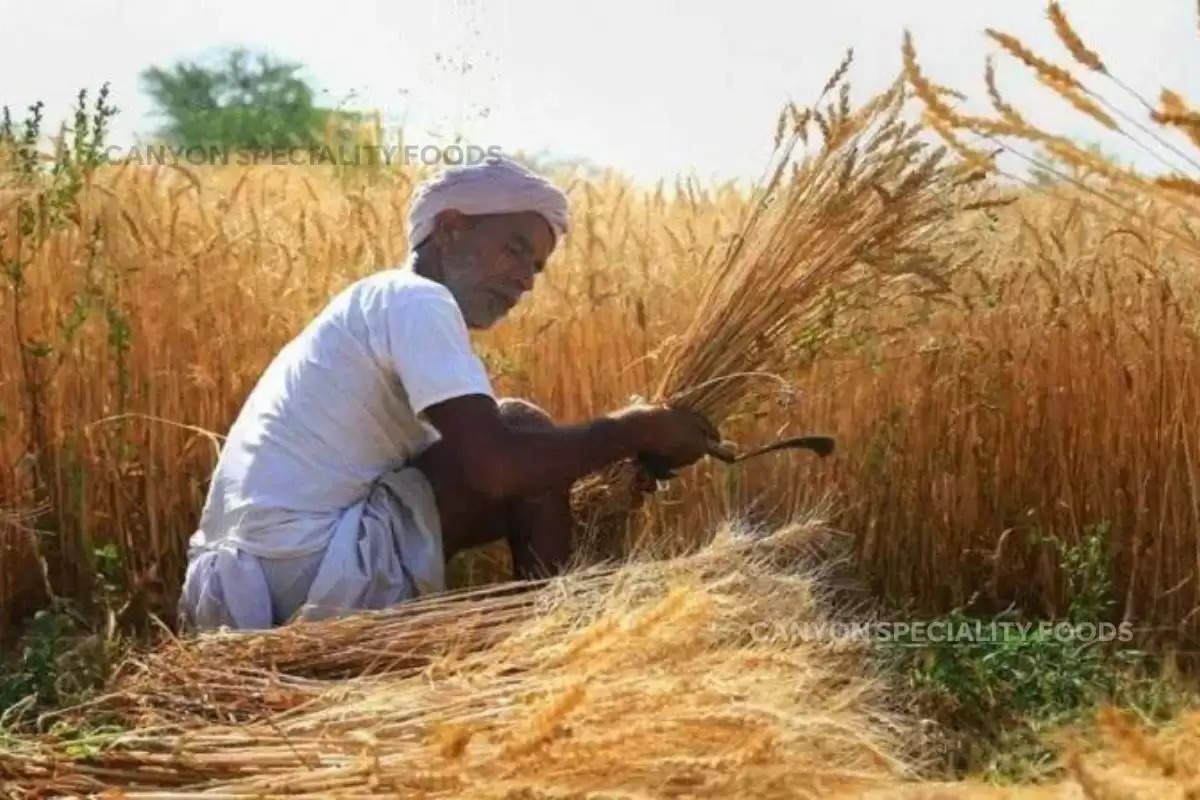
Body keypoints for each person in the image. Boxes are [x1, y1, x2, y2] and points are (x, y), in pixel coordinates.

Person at [178, 157, 719, 630]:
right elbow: (496, 469)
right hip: (309, 573)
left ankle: (546, 646)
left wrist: (606, 466)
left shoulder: (377, 304)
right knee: (521, 427)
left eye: (535, 267)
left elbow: (472, 471)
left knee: (518, 443)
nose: (526, 280)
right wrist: (637, 428)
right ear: (453, 228)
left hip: (232, 594)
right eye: (515, 249)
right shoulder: (418, 301)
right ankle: (548, 656)